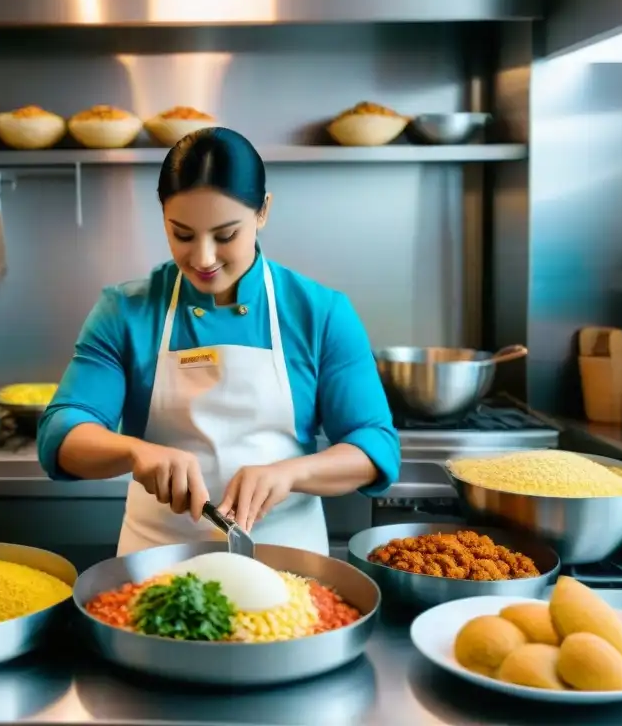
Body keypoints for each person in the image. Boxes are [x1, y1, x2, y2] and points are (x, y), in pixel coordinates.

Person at [38, 127, 400, 556]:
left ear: (262, 211)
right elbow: (61, 433)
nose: (204, 258)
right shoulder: (126, 311)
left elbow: (375, 445)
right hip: (153, 564)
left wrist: (290, 474)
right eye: (183, 235)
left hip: (285, 562)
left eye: (226, 235)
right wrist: (136, 453)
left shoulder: (320, 313)